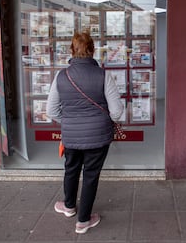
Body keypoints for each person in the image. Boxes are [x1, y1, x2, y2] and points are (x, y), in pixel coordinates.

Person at [47, 31, 123, 234]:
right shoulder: (103, 75)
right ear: (92, 50)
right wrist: (99, 121)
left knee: (71, 169)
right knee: (90, 175)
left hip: (71, 136)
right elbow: (116, 112)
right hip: (98, 137)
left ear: (72, 50)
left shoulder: (61, 76)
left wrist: (70, 122)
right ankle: (83, 221)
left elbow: (51, 111)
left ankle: (69, 206)